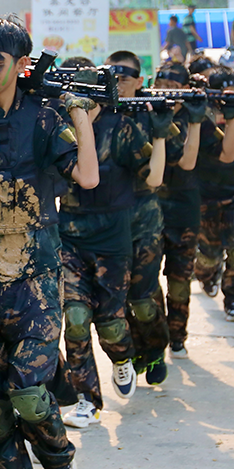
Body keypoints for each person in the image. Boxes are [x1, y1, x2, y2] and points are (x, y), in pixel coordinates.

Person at [0, 15, 99, 469]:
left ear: (22, 65)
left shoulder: (42, 117)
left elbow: (87, 177)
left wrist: (79, 113)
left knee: (29, 393)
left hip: (35, 279)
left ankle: (58, 458)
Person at [55, 56, 167, 429]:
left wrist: (161, 135)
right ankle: (86, 400)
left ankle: (122, 358)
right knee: (75, 319)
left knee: (111, 324)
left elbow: (152, 179)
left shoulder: (121, 128)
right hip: (70, 237)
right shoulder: (57, 126)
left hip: (112, 240)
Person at [107, 51, 187, 385]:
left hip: (144, 215)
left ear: (140, 81)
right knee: (115, 297)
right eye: (112, 78)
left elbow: (178, 152)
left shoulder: (150, 111)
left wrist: (165, 126)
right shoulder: (99, 111)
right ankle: (131, 353)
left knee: (144, 294)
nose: (117, 84)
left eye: (124, 79)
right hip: (108, 217)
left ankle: (155, 351)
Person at [152, 63, 207, 359]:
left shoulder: (194, 115)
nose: (165, 91)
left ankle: (177, 336)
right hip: (150, 210)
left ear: (185, 89)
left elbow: (188, 162)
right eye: (160, 85)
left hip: (183, 210)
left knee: (179, 279)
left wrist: (196, 117)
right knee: (146, 281)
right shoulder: (143, 112)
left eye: (172, 87)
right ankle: (156, 338)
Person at [193, 68, 234, 323]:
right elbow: (224, 154)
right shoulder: (201, 117)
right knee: (209, 255)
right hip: (207, 197)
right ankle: (205, 274)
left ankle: (232, 299)